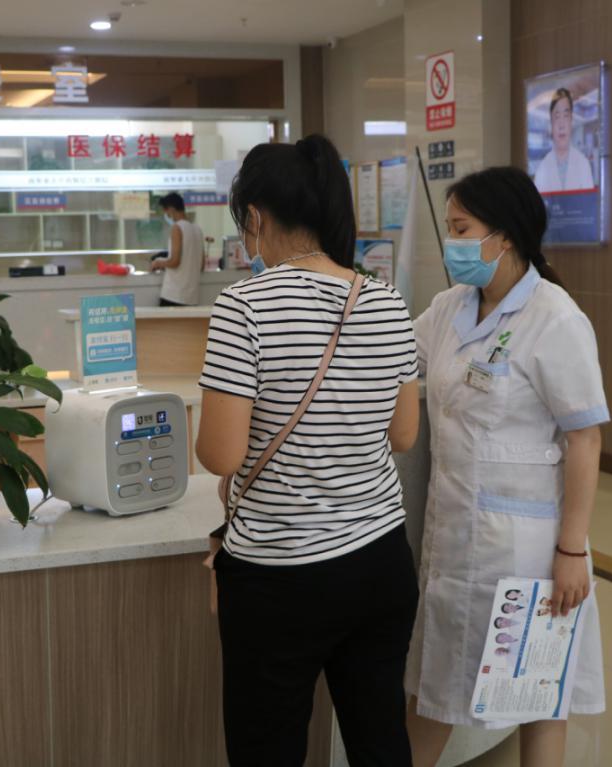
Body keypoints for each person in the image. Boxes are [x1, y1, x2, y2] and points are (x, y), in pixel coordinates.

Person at [195, 133, 421, 767]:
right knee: (380, 740)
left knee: (268, 749)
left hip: (280, 576)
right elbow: (403, 435)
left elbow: (221, 455)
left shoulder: (243, 306)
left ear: (256, 217)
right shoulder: (386, 301)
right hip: (380, 559)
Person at [404, 167, 607, 767]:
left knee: (538, 692)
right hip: (453, 535)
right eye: (449, 229)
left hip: (527, 550)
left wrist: (571, 550)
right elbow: (395, 357)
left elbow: (585, 439)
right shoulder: (448, 308)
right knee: (436, 687)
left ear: (506, 236)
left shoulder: (555, 317)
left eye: (462, 229)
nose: (453, 243)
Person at [533, 88, 595, 193]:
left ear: (571, 121)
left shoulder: (583, 164)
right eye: (557, 117)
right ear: (551, 124)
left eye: (566, 116)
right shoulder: (542, 168)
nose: (561, 125)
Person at [152, 192, 204, 306]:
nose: (166, 215)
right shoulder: (197, 230)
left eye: (166, 211)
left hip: (174, 295)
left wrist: (158, 262)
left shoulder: (177, 228)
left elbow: (175, 261)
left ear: (171, 209)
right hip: (191, 297)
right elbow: (201, 265)